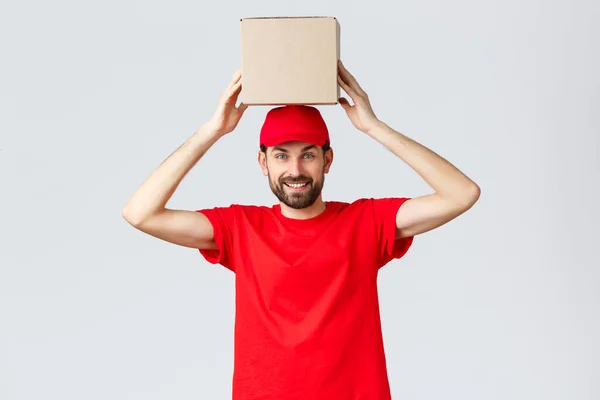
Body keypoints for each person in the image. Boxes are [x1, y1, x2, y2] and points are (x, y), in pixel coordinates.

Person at [122, 60, 481, 400]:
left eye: (308, 155)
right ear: (263, 162)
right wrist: (211, 131)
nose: (295, 170)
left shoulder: (367, 222)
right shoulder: (240, 228)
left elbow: (461, 193)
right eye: (281, 155)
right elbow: (140, 214)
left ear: (328, 160)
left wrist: (374, 127)